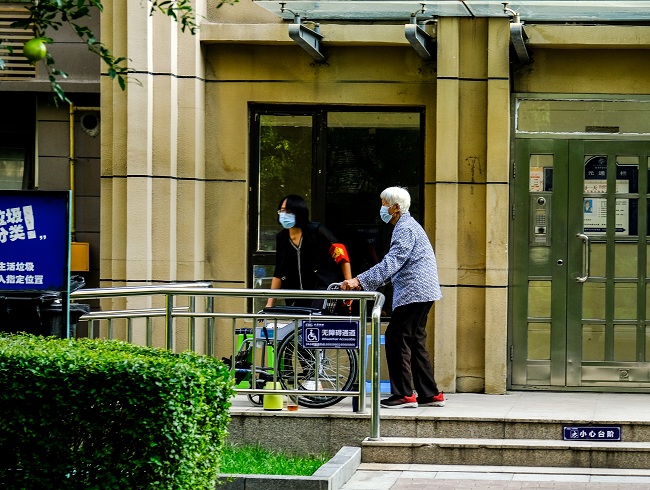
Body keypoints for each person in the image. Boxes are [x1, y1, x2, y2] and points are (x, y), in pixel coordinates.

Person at [340, 186, 444, 408]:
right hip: (422, 291)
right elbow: (396, 265)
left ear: (396, 207)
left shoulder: (405, 228)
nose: (381, 208)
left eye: (384, 203)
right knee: (415, 340)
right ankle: (429, 394)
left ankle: (404, 395)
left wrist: (359, 280)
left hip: (415, 292)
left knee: (397, 338)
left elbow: (392, 262)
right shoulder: (408, 226)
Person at [265, 195, 352, 309]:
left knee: (315, 318)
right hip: (296, 291)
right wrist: (270, 303)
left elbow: (341, 255)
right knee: (300, 323)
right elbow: (278, 273)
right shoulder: (282, 238)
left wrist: (349, 286)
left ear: (298, 212)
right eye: (281, 211)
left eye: (288, 211)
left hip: (322, 286)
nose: (284, 214)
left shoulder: (316, 230)